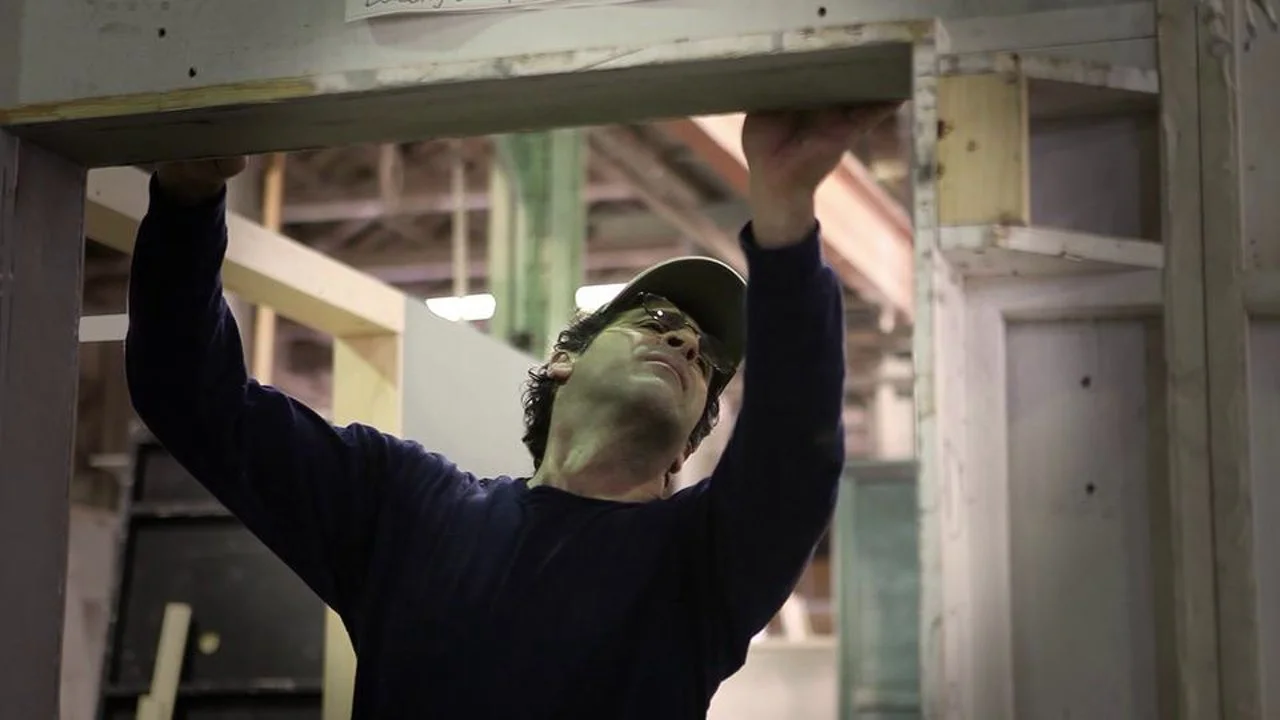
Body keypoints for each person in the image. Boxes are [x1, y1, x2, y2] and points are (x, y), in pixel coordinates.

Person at [126, 106, 894, 719]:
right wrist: (188, 201)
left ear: (684, 453)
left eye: (707, 359)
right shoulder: (408, 510)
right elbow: (190, 396)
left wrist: (785, 208)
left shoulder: (703, 562)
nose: (688, 341)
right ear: (563, 361)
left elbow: (794, 452)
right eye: (656, 320)